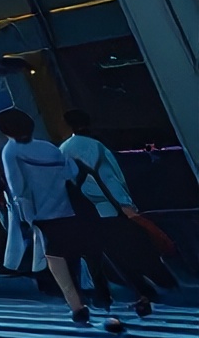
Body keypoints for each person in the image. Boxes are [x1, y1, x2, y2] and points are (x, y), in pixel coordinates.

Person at [0, 107, 126, 334]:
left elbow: (18, 188)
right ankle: (97, 299)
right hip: (67, 208)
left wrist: (27, 218)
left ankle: (77, 307)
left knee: (56, 259)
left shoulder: (10, 151)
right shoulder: (48, 147)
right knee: (76, 254)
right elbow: (72, 173)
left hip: (43, 214)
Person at [61, 109, 173, 315]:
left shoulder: (64, 149)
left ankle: (140, 292)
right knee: (135, 249)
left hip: (88, 211)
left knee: (114, 257)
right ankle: (158, 288)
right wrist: (127, 205)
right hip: (112, 208)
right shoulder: (97, 146)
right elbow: (113, 177)